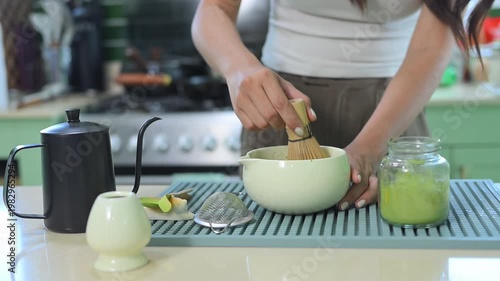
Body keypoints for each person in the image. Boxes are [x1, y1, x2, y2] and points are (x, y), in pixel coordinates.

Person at [191, 0, 494, 211]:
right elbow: (215, 7)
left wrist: (370, 149)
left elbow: (430, 47)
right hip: (283, 107)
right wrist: (240, 70)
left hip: (392, 110)